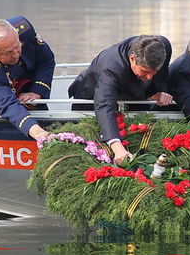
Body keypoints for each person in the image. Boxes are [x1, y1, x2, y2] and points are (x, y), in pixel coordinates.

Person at [68, 35, 173, 164]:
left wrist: (160, 91)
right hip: (91, 98)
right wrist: (116, 146)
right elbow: (104, 106)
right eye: (145, 71)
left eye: (154, 72)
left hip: (135, 94)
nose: (150, 77)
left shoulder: (163, 46)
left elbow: (163, 73)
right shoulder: (111, 67)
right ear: (132, 59)